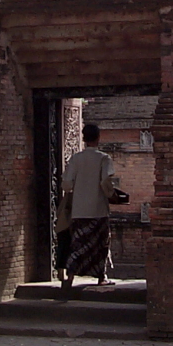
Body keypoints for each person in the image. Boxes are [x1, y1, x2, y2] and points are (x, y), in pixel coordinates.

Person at [61, 123, 115, 294]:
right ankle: (101, 277)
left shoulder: (75, 159)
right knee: (101, 243)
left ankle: (70, 276)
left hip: (79, 209)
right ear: (98, 138)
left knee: (78, 243)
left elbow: (66, 184)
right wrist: (111, 195)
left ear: (83, 139)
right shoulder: (103, 158)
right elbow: (106, 182)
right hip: (98, 209)